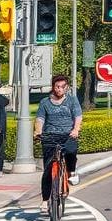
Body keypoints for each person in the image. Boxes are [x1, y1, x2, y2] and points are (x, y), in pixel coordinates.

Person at [36, 75, 83, 212]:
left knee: (71, 151)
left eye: (63, 86)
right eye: (57, 86)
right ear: (53, 87)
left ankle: (71, 172)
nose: (60, 89)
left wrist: (75, 129)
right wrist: (38, 131)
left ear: (66, 87)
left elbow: (78, 116)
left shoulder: (72, 100)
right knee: (47, 171)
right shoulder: (45, 102)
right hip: (50, 135)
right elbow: (40, 118)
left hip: (67, 134)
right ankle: (45, 200)